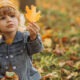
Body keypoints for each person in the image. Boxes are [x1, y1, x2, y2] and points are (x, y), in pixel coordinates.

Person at [0, 0, 43, 80]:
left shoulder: (26, 37)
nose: (9, 20)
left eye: (12, 16)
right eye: (3, 18)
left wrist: (33, 37)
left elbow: (37, 49)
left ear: (18, 19)